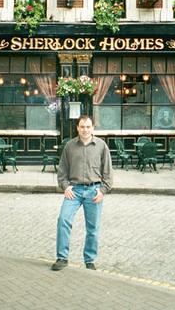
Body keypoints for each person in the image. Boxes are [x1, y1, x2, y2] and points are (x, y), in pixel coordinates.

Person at [52, 115, 113, 271]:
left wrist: (102, 190)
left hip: (94, 191)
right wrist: (65, 186)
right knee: (63, 220)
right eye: (82, 126)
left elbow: (108, 172)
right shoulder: (70, 146)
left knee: (93, 228)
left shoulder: (101, 146)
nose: (85, 130)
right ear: (77, 128)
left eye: (88, 127)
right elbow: (62, 170)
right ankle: (62, 258)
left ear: (93, 128)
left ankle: (89, 260)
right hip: (75, 191)